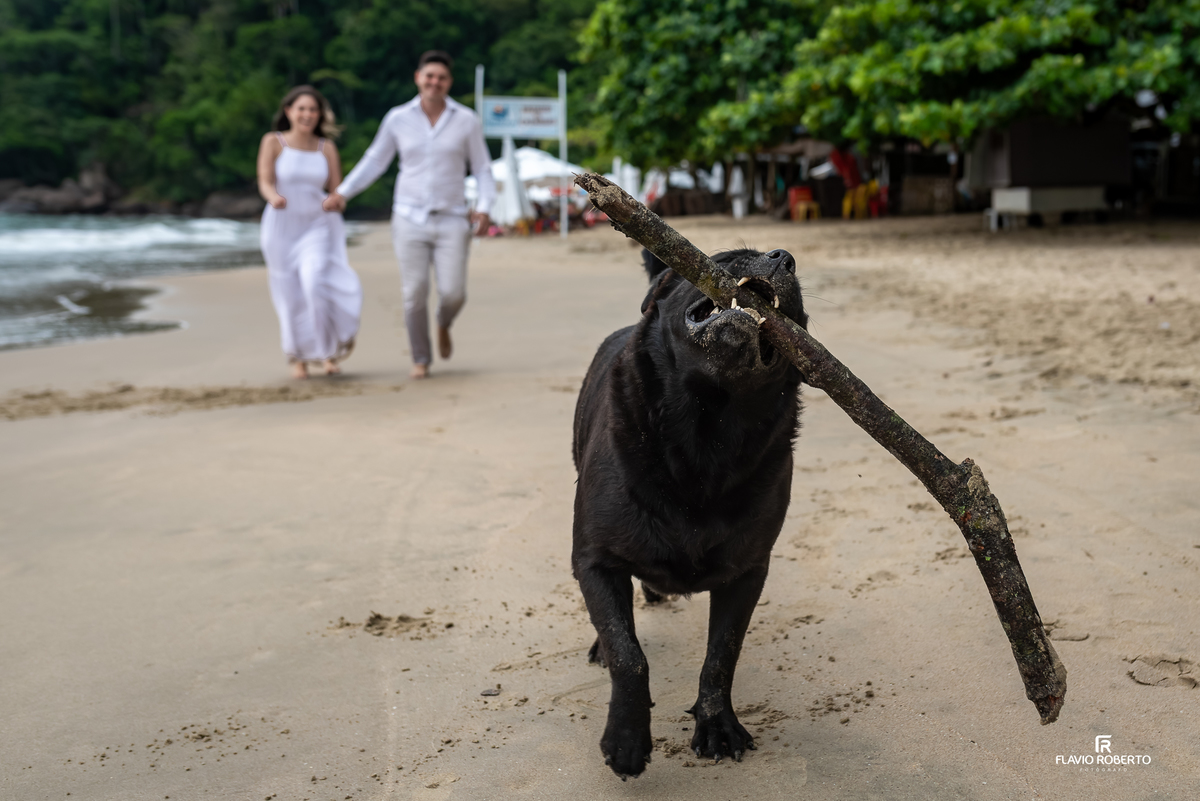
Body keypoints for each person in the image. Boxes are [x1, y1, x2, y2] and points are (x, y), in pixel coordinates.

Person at [325, 50, 495, 379]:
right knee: (413, 293)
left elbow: (483, 168)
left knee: (453, 292)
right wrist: (343, 192)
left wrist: (485, 207)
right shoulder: (397, 118)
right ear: (418, 78)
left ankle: (444, 322)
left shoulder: (466, 120)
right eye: (429, 76)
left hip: (452, 217)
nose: (435, 82)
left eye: (442, 78)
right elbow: (375, 161)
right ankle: (420, 358)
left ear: (449, 82)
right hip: (408, 216)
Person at [257, 86, 362, 379]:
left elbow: (336, 190)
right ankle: (297, 357)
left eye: (313, 110)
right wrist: (272, 197)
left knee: (315, 282)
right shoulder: (273, 142)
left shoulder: (325, 147)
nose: (307, 115)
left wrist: (335, 199)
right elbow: (264, 180)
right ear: (288, 111)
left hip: (317, 225)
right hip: (281, 226)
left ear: (320, 115)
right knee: (289, 293)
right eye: (301, 108)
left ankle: (328, 353)